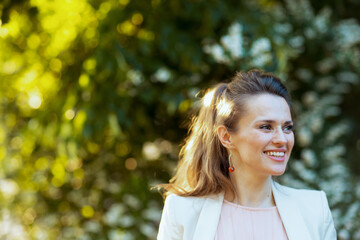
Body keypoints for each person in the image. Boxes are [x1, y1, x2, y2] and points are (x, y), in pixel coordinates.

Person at [157, 69, 337, 240]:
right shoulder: (182, 211)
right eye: (266, 127)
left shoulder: (314, 209)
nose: (282, 139)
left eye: (287, 128)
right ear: (226, 137)